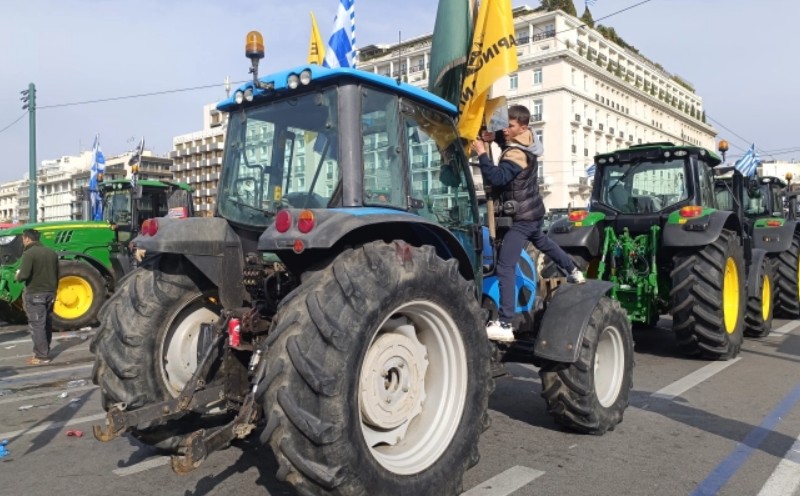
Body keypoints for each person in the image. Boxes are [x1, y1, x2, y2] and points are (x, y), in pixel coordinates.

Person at [472, 105, 585, 342]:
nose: (506, 129)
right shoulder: (527, 141)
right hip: (532, 212)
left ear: (523, 127)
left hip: (521, 217)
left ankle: (505, 324)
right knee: (544, 243)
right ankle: (573, 270)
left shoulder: (517, 154)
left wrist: (482, 153)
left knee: (505, 266)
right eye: (505, 125)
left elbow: (497, 178)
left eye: (510, 126)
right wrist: (494, 137)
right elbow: (507, 139)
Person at [15, 229, 59, 365]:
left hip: (35, 293)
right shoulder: (51, 252)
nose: (23, 241)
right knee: (47, 323)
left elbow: (24, 275)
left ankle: (41, 356)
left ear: (27, 239)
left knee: (37, 325)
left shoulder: (29, 253)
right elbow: (57, 274)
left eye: (23, 239)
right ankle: (45, 351)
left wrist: (17, 276)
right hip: (50, 293)